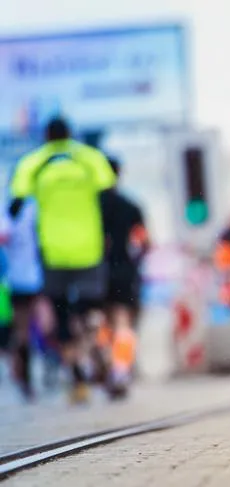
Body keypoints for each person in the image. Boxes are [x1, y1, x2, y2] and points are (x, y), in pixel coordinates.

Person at [9, 118, 115, 404]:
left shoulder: (33, 163)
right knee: (91, 308)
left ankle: (77, 374)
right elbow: (109, 194)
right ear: (71, 133)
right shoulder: (89, 158)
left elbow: (15, 203)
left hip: (53, 252)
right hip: (88, 248)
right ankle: (96, 347)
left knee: (62, 315)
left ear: (46, 136)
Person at [97, 158, 149, 397]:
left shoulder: (91, 206)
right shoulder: (130, 206)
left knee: (100, 321)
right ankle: (120, 369)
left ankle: (103, 364)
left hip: (95, 270)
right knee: (123, 322)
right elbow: (144, 241)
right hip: (125, 269)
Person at [0, 196, 43, 400]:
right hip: (37, 279)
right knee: (43, 326)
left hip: (16, 281)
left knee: (22, 332)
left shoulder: (7, 215)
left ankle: (24, 378)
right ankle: (25, 378)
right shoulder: (36, 210)